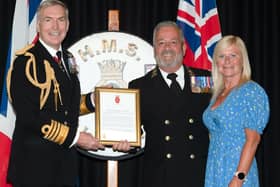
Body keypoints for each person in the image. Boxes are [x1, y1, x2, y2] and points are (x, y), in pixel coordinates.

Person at [6, 1, 129, 186]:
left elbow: (63, 107)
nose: (55, 26)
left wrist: (93, 101)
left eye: (60, 20)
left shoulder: (67, 60)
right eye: (48, 20)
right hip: (34, 168)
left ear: (68, 25)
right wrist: (75, 137)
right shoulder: (27, 62)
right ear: (38, 25)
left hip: (63, 167)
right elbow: (29, 116)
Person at [128, 21, 211, 187]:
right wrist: (127, 143)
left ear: (184, 47)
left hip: (199, 175)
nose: (167, 48)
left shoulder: (205, 79)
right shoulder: (139, 86)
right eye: (161, 43)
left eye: (173, 42)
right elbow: (132, 133)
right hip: (160, 177)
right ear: (154, 49)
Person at [202, 35, 270, 187]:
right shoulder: (217, 94)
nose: (227, 61)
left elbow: (253, 140)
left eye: (233, 55)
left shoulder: (251, 92)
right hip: (214, 168)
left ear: (242, 60)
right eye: (222, 56)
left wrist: (238, 178)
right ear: (216, 62)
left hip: (238, 171)